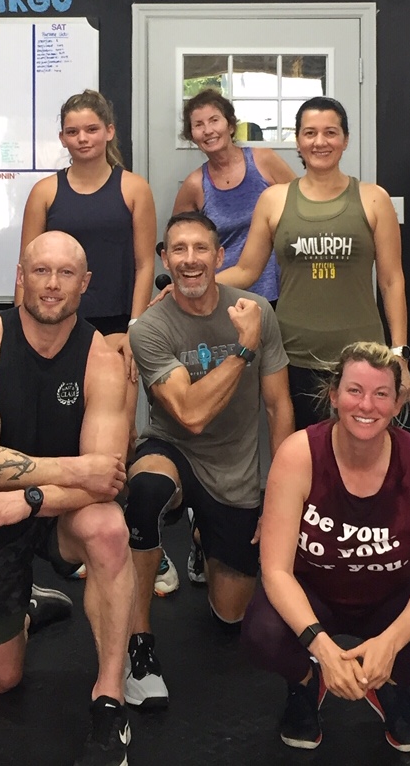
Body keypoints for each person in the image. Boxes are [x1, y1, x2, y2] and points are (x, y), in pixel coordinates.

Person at [0, 231, 138, 766]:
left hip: (47, 509)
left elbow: (106, 481)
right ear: (20, 277)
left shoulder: (102, 360)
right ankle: (27, 608)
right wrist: (72, 469)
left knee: (109, 528)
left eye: (66, 273)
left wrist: (27, 499)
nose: (52, 284)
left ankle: (110, 697)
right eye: (41, 271)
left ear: (85, 283)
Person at [241, 342, 410, 753]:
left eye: (381, 394)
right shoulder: (299, 454)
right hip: (316, 595)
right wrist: (321, 648)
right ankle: (307, 682)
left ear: (398, 403)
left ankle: (388, 683)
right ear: (334, 395)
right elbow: (275, 570)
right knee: (262, 632)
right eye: (354, 390)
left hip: (388, 598)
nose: (367, 405)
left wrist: (391, 643)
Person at [123, 211, 295, 710]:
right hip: (173, 450)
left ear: (220, 257)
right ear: (165, 259)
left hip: (235, 469)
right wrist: (243, 349)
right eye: (178, 249)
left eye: (201, 248)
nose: (190, 259)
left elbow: (278, 406)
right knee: (146, 493)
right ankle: (138, 644)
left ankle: (203, 538)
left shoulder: (256, 311)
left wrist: (279, 497)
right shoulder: (149, 327)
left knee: (230, 616)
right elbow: (190, 416)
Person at [18, 90, 165, 588]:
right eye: (72, 131)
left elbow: (145, 264)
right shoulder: (45, 192)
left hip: (117, 330)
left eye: (91, 129)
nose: (82, 138)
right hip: (55, 329)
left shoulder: (134, 188)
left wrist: (135, 329)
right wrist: (21, 329)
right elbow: (27, 268)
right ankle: (64, 540)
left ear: (109, 132)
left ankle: (124, 540)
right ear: (62, 137)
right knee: (60, 435)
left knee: (117, 443)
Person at [218, 97, 410, 428]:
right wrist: (190, 287)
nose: (320, 142)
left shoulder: (374, 199)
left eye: (330, 132)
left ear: (345, 139)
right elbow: (246, 271)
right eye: (310, 133)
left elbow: (392, 281)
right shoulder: (274, 200)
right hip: (292, 355)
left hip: (362, 355)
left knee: (360, 447)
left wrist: (399, 353)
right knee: (300, 450)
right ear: (298, 140)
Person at [170, 89, 295, 302]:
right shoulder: (195, 185)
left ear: (230, 125)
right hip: (224, 294)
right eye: (198, 125)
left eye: (214, 120)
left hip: (279, 291)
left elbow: (303, 209)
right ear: (192, 135)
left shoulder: (264, 161)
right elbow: (176, 243)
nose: (208, 130)